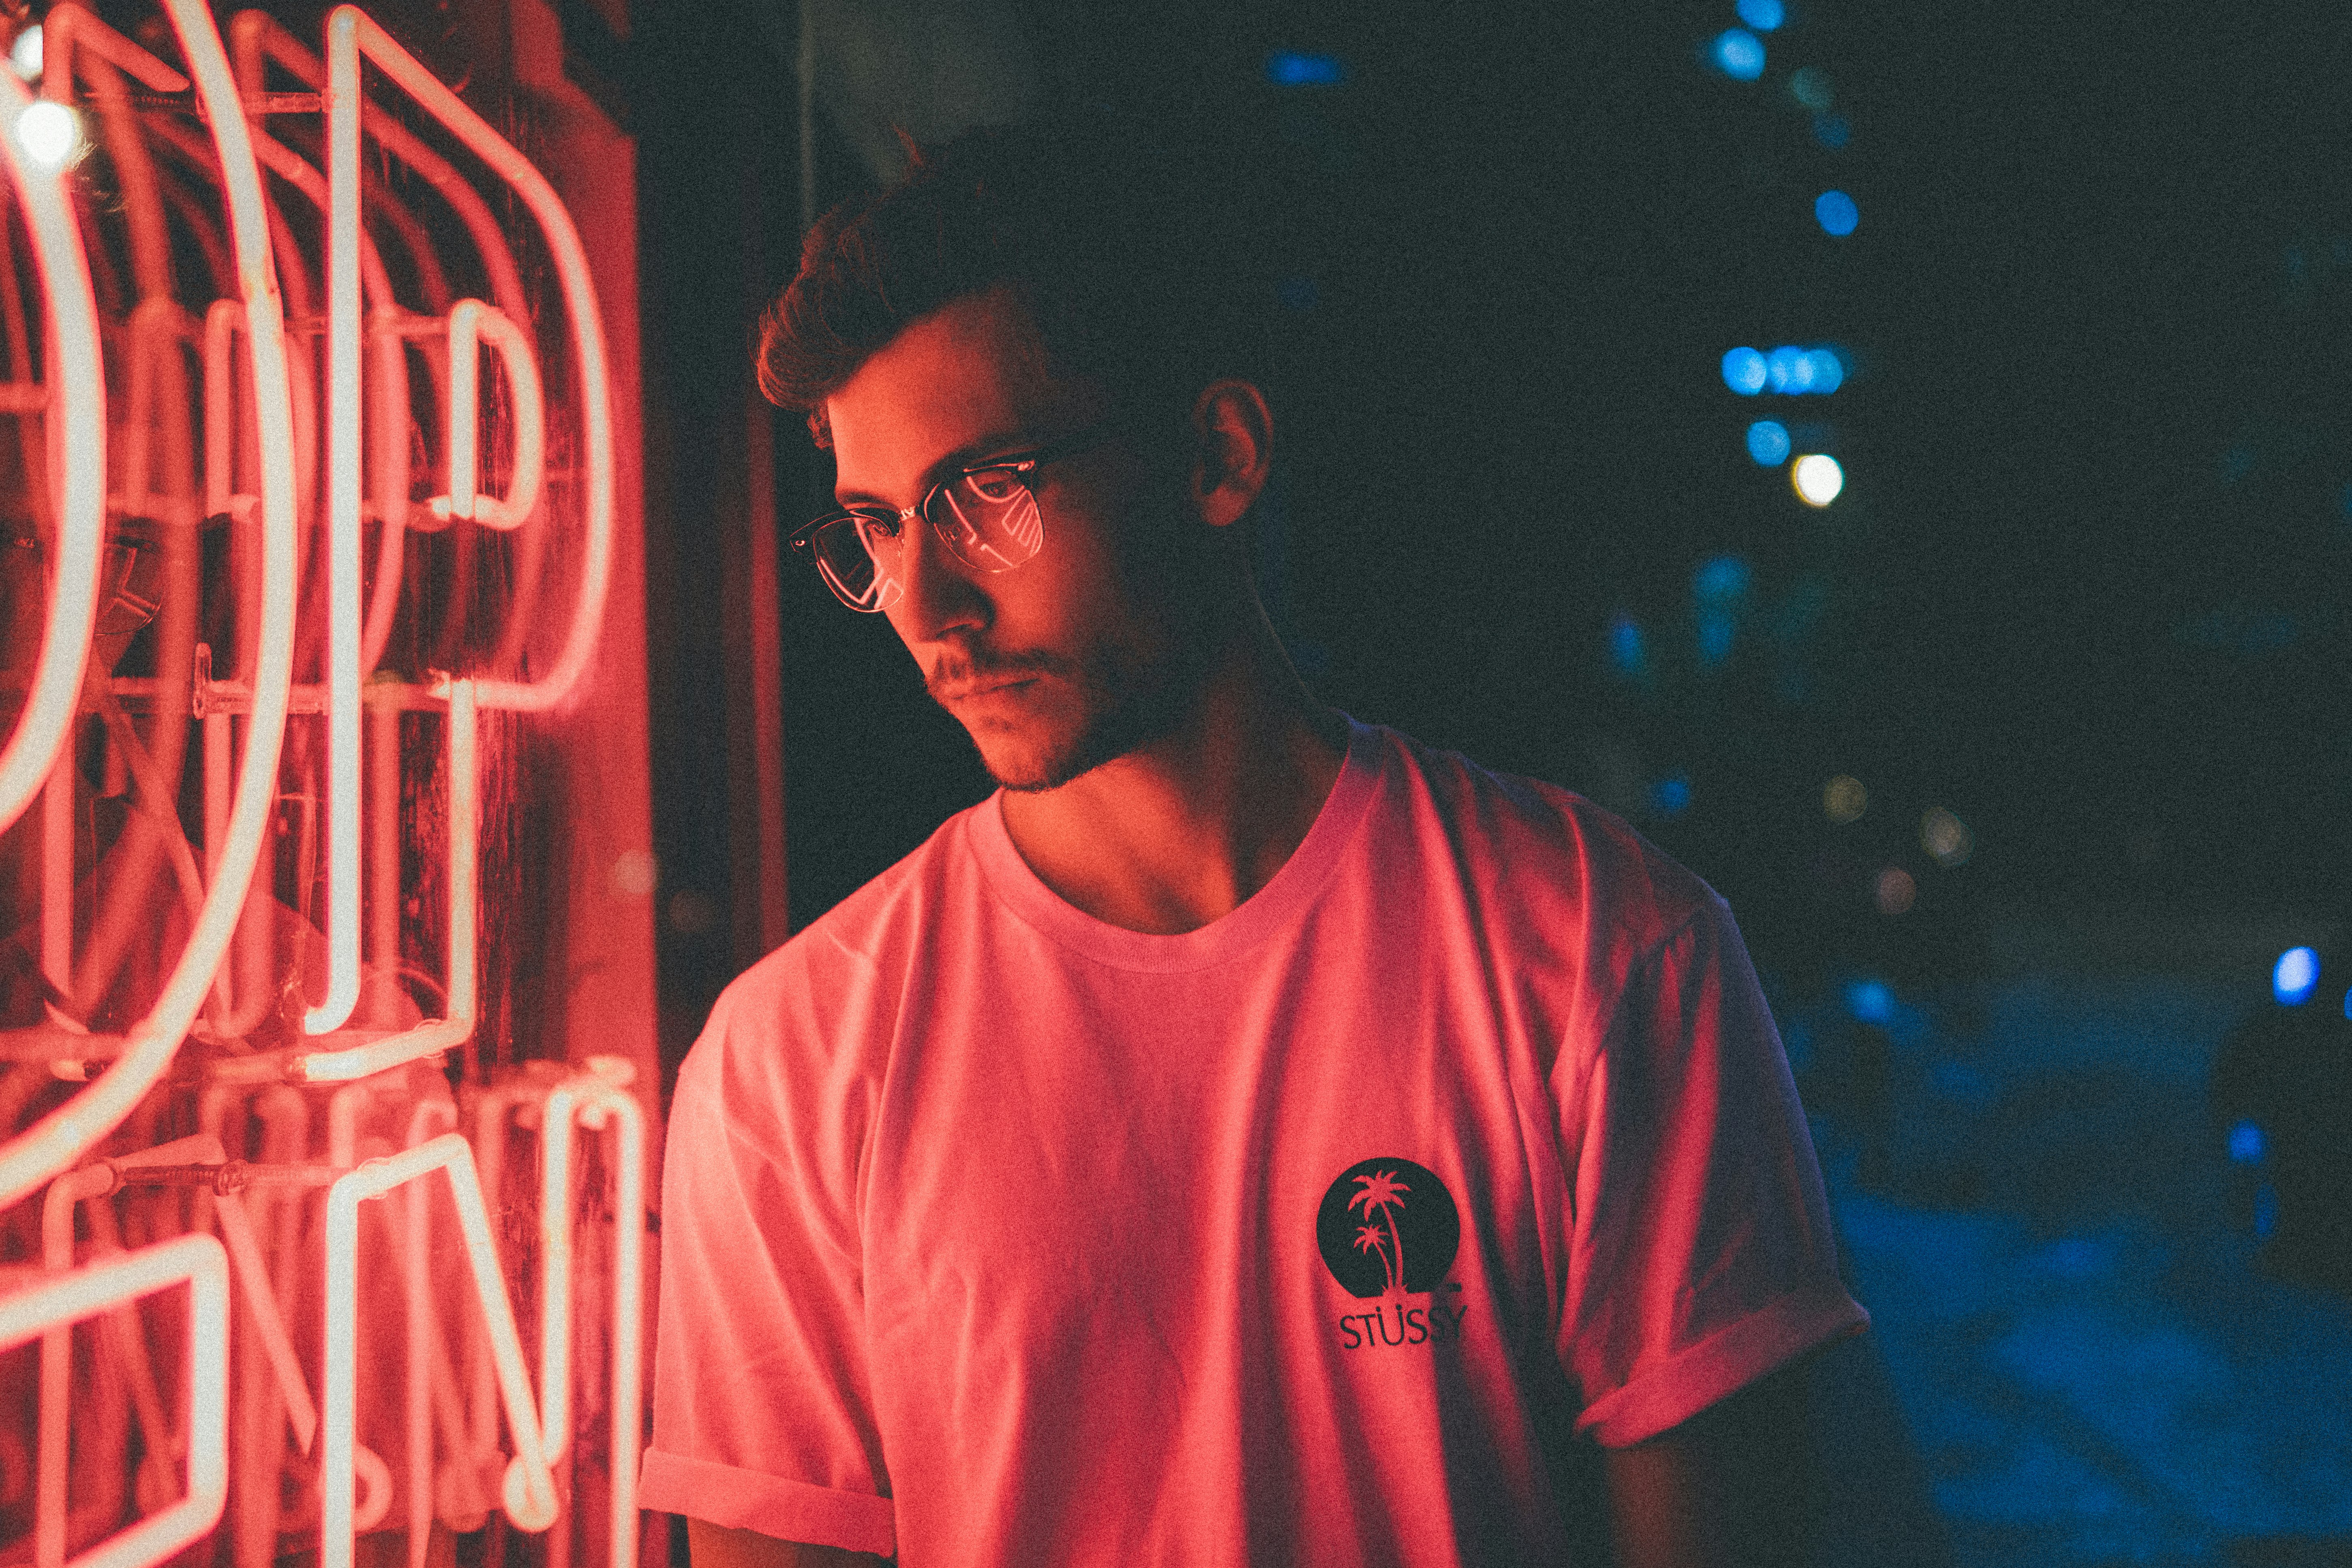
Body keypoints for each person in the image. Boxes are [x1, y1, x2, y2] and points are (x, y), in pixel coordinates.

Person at [638, 117, 1869, 1566]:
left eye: (986, 495)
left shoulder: (1599, 953)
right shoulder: (794, 1062)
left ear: (1218, 456)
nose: (926, 606)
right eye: (878, 527)